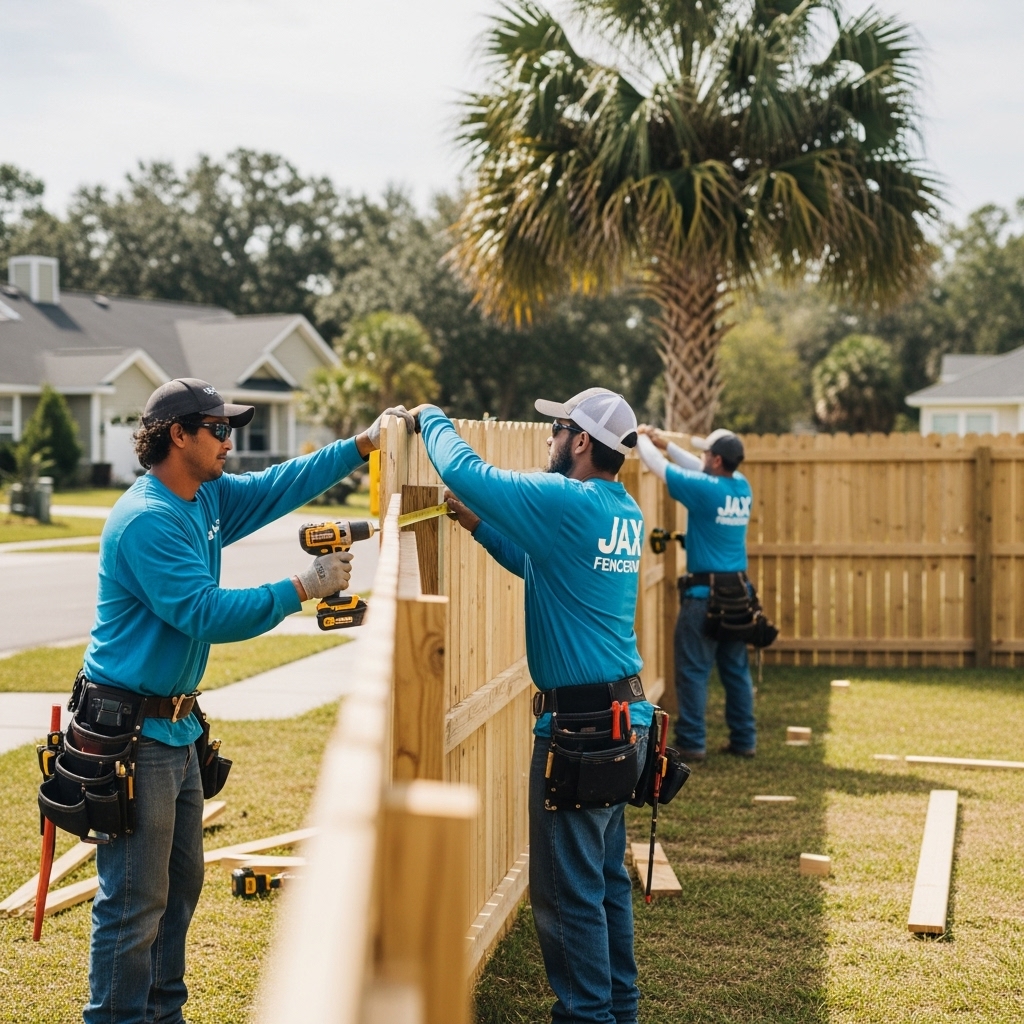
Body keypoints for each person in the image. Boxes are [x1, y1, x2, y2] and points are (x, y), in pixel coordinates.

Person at [78, 377, 412, 1024]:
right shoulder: (149, 519)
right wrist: (302, 586)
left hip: (174, 730)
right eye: (220, 429)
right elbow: (203, 613)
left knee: (179, 889)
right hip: (131, 736)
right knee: (134, 902)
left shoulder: (205, 497)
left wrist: (362, 444)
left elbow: (279, 484)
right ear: (179, 435)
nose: (233, 441)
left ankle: (161, 1014)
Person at [409, 387, 652, 1024]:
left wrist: (428, 416)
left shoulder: (569, 501)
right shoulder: (618, 509)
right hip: (623, 719)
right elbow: (539, 564)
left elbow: (466, 470)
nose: (550, 440)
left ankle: (587, 1017)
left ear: (580, 442)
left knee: (566, 895)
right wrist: (476, 525)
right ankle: (617, 1013)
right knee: (603, 883)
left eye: (558, 430)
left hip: (580, 729)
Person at [635, 427, 756, 761]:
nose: (701, 458)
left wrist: (639, 436)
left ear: (716, 460)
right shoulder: (741, 486)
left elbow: (659, 468)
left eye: (706, 454)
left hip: (704, 596)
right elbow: (694, 466)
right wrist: (668, 443)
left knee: (692, 670)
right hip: (738, 594)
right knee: (735, 669)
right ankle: (744, 740)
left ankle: (692, 743)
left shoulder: (705, 489)